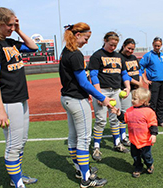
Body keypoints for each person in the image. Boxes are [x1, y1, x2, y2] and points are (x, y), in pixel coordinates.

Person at [0, 7, 38, 188]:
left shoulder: (12, 42)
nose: (12, 29)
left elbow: (34, 47)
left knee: (21, 141)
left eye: (14, 25)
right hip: (8, 102)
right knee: (14, 145)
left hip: (21, 98)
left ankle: (18, 177)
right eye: (9, 25)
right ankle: (18, 184)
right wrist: (0, 110)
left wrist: (19, 29)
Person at [59, 22, 112, 188]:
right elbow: (84, 82)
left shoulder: (66, 51)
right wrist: (102, 97)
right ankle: (86, 179)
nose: (87, 42)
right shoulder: (75, 54)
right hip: (77, 100)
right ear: (77, 35)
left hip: (67, 98)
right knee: (83, 140)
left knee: (74, 137)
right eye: (86, 38)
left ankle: (79, 169)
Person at [88, 31, 131, 161]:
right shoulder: (97, 55)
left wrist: (128, 86)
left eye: (115, 45)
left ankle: (117, 143)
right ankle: (96, 147)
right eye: (111, 44)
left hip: (116, 91)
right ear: (105, 41)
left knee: (115, 118)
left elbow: (124, 73)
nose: (113, 47)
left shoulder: (119, 56)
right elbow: (93, 75)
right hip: (102, 91)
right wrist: (99, 94)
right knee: (101, 120)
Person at [111, 87, 158, 178]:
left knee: (146, 156)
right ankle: (138, 168)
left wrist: (153, 134)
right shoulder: (130, 110)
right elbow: (125, 120)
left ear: (143, 101)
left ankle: (149, 164)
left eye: (135, 99)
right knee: (135, 156)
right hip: (133, 140)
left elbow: (153, 124)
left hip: (145, 141)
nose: (132, 100)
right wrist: (119, 114)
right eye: (132, 98)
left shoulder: (149, 112)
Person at [140, 37, 163, 127]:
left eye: (159, 45)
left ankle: (160, 120)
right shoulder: (148, 56)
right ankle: (152, 121)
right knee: (153, 102)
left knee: (162, 101)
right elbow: (140, 67)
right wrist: (145, 79)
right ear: (153, 45)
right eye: (156, 45)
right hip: (154, 82)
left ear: (161, 45)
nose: (157, 47)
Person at [118, 38, 143, 146]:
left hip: (136, 88)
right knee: (125, 113)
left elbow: (139, 71)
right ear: (123, 45)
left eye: (132, 49)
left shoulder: (133, 57)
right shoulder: (119, 57)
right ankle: (122, 136)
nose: (130, 51)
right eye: (129, 48)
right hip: (125, 89)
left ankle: (130, 134)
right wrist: (136, 83)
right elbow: (123, 74)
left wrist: (140, 82)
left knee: (135, 113)